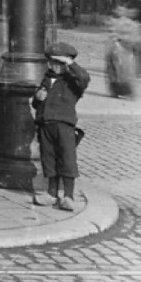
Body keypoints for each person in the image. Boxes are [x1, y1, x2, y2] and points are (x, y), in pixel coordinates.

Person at [31, 42, 90, 211]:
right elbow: (36, 104)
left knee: (67, 159)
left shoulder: (73, 82)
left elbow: (84, 77)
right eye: (50, 62)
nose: (53, 66)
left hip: (64, 126)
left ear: (66, 63)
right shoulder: (47, 78)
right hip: (45, 124)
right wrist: (37, 98)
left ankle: (68, 196)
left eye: (58, 63)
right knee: (48, 159)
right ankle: (51, 193)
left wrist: (70, 63)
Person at [105, 6, 141, 98]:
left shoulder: (128, 23)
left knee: (123, 70)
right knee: (118, 70)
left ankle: (123, 90)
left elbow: (136, 37)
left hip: (123, 49)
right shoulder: (116, 22)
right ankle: (118, 90)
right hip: (118, 48)